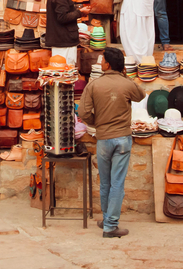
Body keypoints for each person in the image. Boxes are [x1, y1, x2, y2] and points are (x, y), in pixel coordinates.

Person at [77, 47, 144, 238]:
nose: (100, 62)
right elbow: (141, 95)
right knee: (117, 184)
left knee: (106, 183)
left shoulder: (94, 85)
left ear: (108, 64)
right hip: (122, 138)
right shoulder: (126, 84)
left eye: (102, 60)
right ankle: (110, 225)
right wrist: (126, 77)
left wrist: (95, 123)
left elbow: (83, 113)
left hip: (104, 138)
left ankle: (108, 221)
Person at [45, 0, 89, 64]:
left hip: (61, 40)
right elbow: (62, 17)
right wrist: (80, 12)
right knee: (65, 71)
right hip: (63, 41)